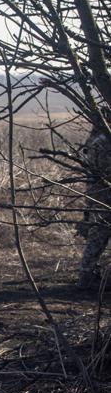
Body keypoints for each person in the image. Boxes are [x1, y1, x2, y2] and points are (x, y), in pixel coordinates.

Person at [78, 124, 111, 291]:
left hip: (98, 197)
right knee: (98, 236)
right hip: (103, 197)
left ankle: (87, 274)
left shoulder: (96, 140)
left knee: (97, 236)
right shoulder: (103, 141)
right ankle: (86, 276)